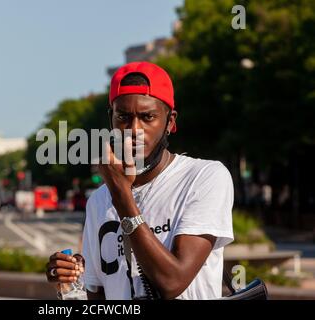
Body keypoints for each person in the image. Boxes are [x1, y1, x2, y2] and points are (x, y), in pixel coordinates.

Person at [46, 61, 234, 300]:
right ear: (111, 120)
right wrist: (68, 287)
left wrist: (122, 196)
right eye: (123, 116)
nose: (134, 129)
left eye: (148, 117)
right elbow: (98, 297)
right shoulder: (98, 201)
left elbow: (172, 282)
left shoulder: (204, 177)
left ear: (171, 122)